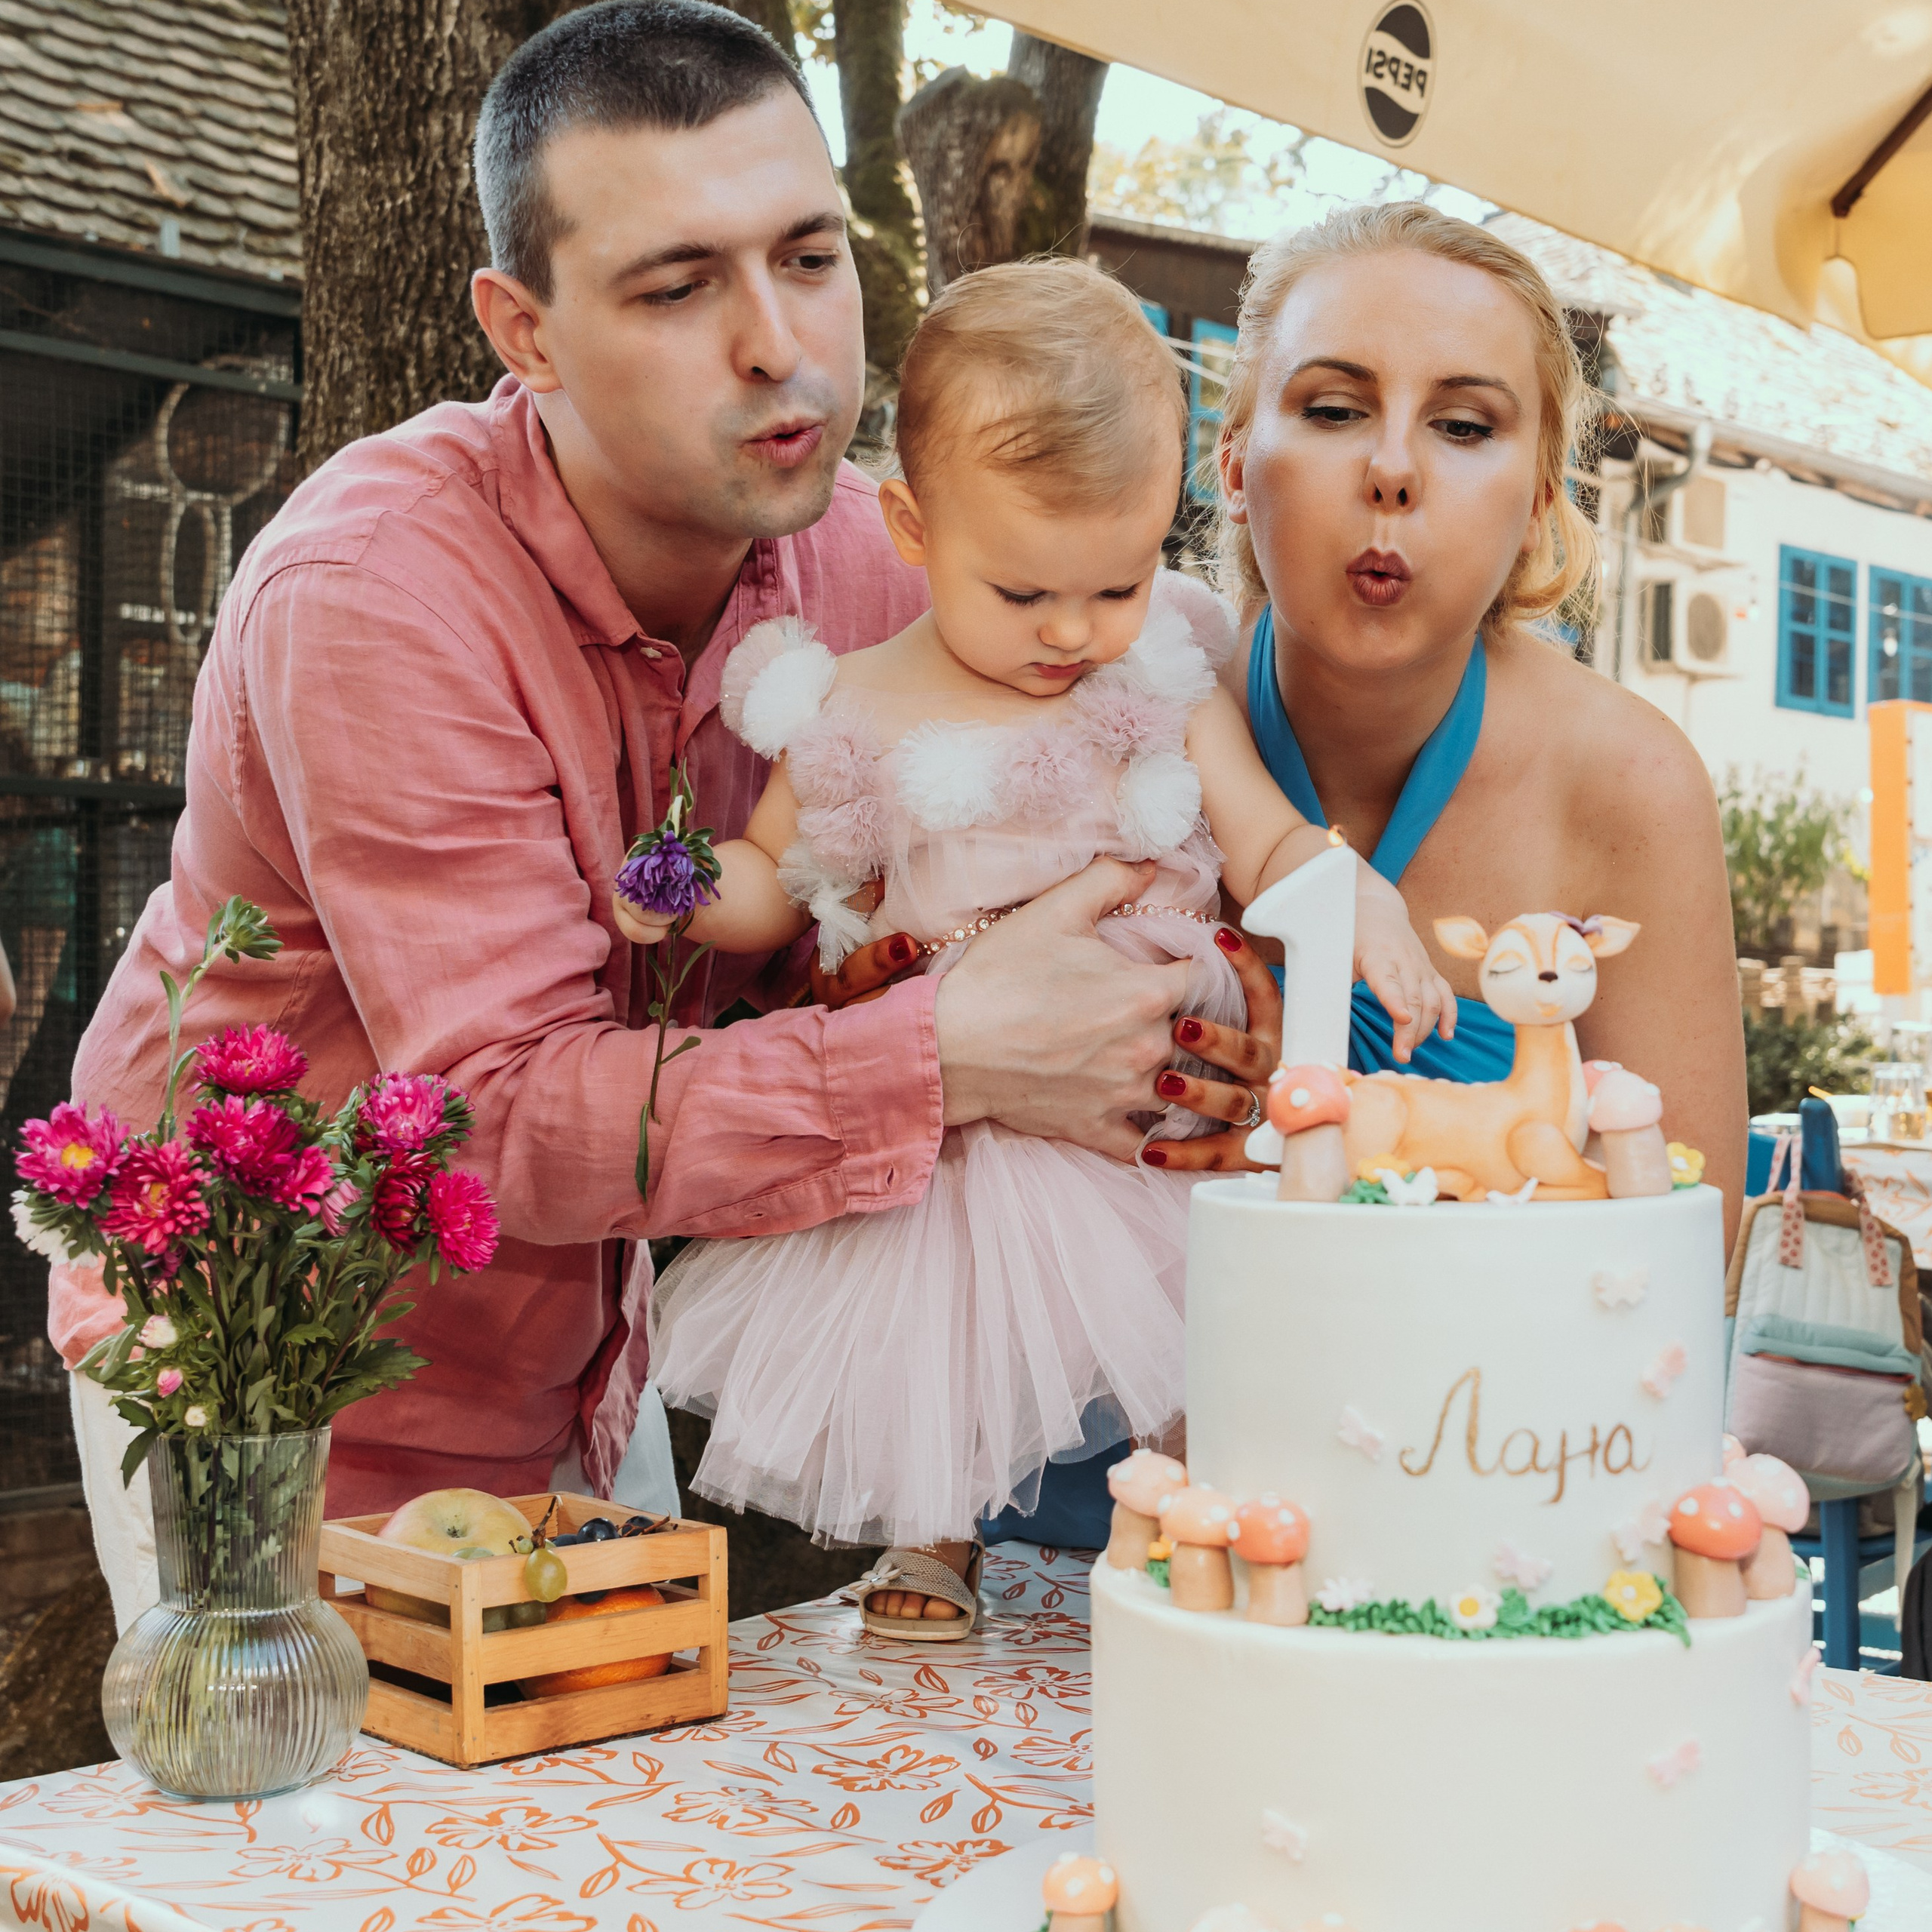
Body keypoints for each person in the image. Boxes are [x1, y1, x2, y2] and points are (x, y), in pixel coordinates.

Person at [45, 1, 1211, 1632]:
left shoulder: (891, 578)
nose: (777, 342)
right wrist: (955, 1046)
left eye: (809, 258)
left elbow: (1144, 709)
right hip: (278, 1367)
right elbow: (499, 1111)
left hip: (602, 1348)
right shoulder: (376, 596)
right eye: (679, 286)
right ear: (522, 330)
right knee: (344, 1873)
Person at [624, 260, 1453, 1635]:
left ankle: (1203, 1515)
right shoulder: (855, 710)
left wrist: (1354, 899)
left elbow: (1264, 835)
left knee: (1204, 1309)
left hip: (1153, 1090)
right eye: (1023, 594)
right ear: (909, 525)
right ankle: (931, 1542)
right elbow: (778, 880)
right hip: (965, 1101)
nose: (1074, 634)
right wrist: (686, 887)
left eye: (1116, 584)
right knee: (934, 1318)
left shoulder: (1159, 673)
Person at [1143, 204, 1747, 1247]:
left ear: (1539, 504)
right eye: (1333, 409)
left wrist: (1344, 1150)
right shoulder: (1132, 723)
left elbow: (1695, 1250)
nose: (1393, 471)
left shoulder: (1630, 784)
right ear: (1235, 465)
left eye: (1463, 426)